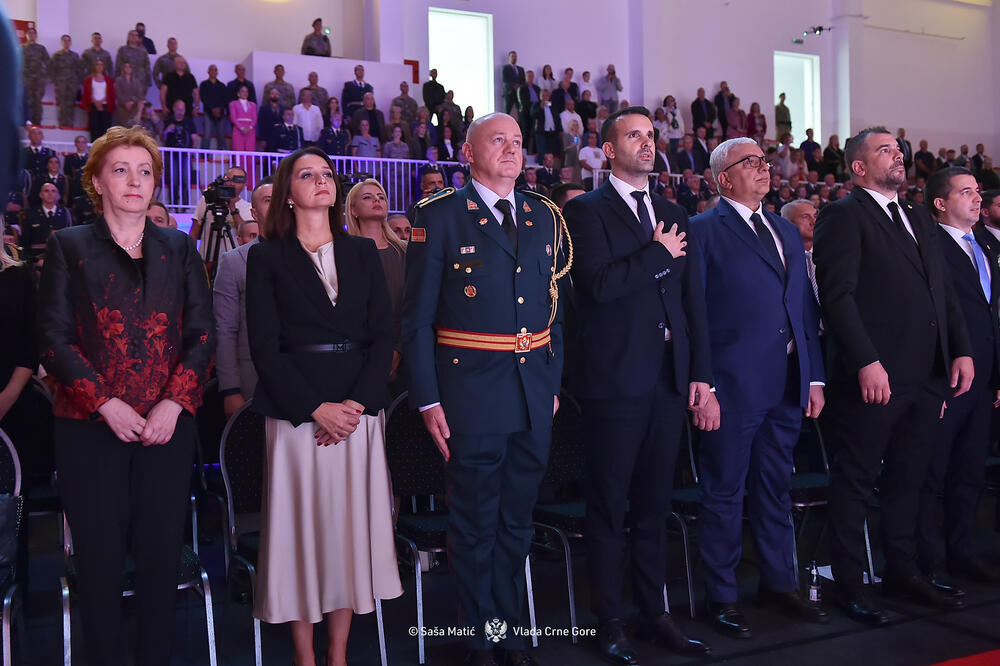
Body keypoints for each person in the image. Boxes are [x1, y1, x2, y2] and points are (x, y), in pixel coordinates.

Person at [37, 125, 214, 666]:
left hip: (167, 428)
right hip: (89, 429)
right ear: (96, 181)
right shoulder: (69, 246)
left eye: (144, 170)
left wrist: (172, 403)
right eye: (120, 169)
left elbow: (202, 335)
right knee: (99, 563)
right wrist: (106, 404)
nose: (135, 180)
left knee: (161, 562)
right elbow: (53, 339)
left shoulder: (179, 246)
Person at [402, 112, 566, 666]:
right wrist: (427, 398)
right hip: (470, 393)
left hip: (531, 393)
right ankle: (479, 638)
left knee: (517, 523)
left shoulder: (543, 215)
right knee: (474, 524)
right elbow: (418, 318)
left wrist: (551, 380)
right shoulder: (440, 216)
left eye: (518, 142)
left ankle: (510, 634)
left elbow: (552, 308)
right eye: (498, 140)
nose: (512, 149)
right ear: (468, 153)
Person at [563, 106, 713, 664]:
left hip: (670, 381)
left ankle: (655, 614)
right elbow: (598, 287)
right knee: (608, 507)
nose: (648, 144)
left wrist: (702, 374)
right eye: (634, 136)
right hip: (615, 380)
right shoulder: (587, 211)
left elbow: (690, 300)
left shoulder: (674, 209)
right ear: (607, 150)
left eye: (651, 135)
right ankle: (610, 622)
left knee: (654, 507)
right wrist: (655, 253)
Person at [246, 147, 402, 666]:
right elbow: (265, 348)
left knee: (345, 536)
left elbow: (384, 336)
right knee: (300, 537)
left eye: (327, 174)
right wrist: (317, 408)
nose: (321, 181)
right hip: (298, 415)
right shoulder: (266, 255)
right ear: (287, 192)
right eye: (307, 175)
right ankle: (304, 655)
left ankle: (337, 652)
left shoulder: (361, 252)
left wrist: (353, 404)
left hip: (357, 413)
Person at [813, 127, 973, 625]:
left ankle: (902, 571)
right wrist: (865, 360)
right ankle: (850, 583)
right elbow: (837, 295)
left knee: (909, 477)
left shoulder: (917, 217)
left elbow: (941, 291)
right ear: (858, 167)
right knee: (856, 480)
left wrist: (960, 351)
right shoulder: (844, 215)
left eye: (897, 148)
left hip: (925, 375)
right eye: (884, 150)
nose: (897, 154)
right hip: (876, 374)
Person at [690, 137, 828, 638]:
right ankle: (722, 597)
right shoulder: (704, 230)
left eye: (765, 161)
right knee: (724, 493)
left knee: (775, 489)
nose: (764, 168)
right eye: (751, 163)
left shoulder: (785, 231)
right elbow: (695, 316)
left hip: (787, 384)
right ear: (724, 178)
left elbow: (803, 308)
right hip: (730, 387)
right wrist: (704, 386)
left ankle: (779, 583)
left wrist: (813, 374)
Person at [917, 168, 1000, 585]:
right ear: (940, 202)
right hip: (947, 375)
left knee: (970, 470)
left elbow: (993, 314)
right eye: (965, 192)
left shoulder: (985, 241)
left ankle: (961, 551)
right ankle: (930, 560)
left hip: (984, 376)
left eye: (977, 191)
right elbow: (932, 316)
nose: (976, 198)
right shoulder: (928, 245)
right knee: (935, 470)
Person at [214, 178, 272, 417]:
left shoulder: (310, 256)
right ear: (255, 213)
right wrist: (230, 389)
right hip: (252, 381)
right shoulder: (234, 261)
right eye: (269, 201)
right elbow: (224, 329)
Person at [345, 179, 407, 389]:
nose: (376, 200)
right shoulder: (341, 252)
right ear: (353, 209)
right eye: (367, 197)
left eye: (381, 197)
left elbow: (413, 305)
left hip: (403, 352)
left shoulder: (405, 251)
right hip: (357, 356)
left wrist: (398, 349)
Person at [190, 165, 251, 263]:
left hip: (232, 263)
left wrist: (232, 208)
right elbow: (194, 231)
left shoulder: (248, 208)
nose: (232, 183)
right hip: (206, 260)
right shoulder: (207, 201)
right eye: (229, 179)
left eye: (237, 180)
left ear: (244, 185)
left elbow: (244, 233)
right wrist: (191, 259)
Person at [781, 199, 819, 302]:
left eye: (815, 216)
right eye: (805, 217)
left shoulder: (828, 254)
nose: (814, 222)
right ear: (787, 222)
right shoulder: (780, 257)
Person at [22, 182, 71, 257]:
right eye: (46, 191)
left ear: (58, 195)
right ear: (40, 195)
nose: (50, 194)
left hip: (62, 257)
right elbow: (25, 242)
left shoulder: (67, 213)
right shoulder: (31, 214)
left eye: (53, 191)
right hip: (37, 258)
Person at [51, 34, 82, 128]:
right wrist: (54, 83)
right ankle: (62, 126)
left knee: (70, 106)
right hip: (61, 84)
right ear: (62, 42)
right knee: (62, 106)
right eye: (64, 40)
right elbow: (52, 69)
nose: (66, 42)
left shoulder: (75, 56)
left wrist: (79, 84)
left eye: (68, 40)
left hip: (72, 84)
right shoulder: (57, 55)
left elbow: (79, 70)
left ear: (70, 42)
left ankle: (70, 126)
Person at [21, 27, 50, 126]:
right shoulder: (22, 48)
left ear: (36, 35)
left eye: (33, 33)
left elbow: (48, 63)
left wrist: (46, 78)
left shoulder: (41, 48)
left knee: (37, 102)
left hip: (39, 80)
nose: (31, 35)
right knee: (26, 101)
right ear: (26, 36)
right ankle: (27, 123)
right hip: (26, 79)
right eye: (29, 33)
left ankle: (37, 125)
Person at [82, 59, 114, 140]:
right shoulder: (89, 79)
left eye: (101, 65)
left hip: (105, 107)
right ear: (94, 66)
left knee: (105, 130)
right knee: (95, 129)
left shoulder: (109, 79)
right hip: (93, 106)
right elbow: (87, 92)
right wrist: (96, 102)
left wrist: (101, 102)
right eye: (97, 64)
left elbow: (110, 93)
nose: (99, 67)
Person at [200, 64, 230, 150]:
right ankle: (204, 155)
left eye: (215, 70)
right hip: (208, 112)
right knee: (207, 134)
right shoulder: (204, 84)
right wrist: (212, 109)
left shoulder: (222, 85)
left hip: (220, 114)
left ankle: (222, 153)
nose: (213, 71)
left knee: (221, 134)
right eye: (212, 70)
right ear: (208, 72)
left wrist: (219, 109)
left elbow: (225, 99)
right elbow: (203, 97)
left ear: (217, 72)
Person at [114, 30, 152, 94]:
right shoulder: (122, 50)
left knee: (139, 102)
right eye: (132, 35)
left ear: (138, 38)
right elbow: (118, 66)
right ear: (128, 37)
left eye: (136, 35)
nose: (134, 37)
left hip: (140, 82)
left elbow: (147, 68)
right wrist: (117, 81)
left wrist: (148, 83)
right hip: (126, 82)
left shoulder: (143, 51)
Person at [113, 61, 144, 128]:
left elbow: (139, 95)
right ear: (123, 68)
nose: (127, 68)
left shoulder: (137, 82)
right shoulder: (118, 80)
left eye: (129, 66)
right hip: (122, 109)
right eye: (126, 66)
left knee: (134, 130)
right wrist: (125, 103)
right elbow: (118, 93)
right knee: (124, 131)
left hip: (134, 109)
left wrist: (132, 102)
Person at [229, 84, 258, 153]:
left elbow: (255, 118)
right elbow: (233, 118)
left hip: (250, 130)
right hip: (238, 129)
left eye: (246, 91)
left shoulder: (253, 105)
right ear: (238, 93)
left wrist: (250, 128)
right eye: (242, 91)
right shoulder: (233, 104)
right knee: (239, 150)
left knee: (250, 151)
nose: (245, 93)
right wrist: (242, 128)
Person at [501, 50, 525, 116]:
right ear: (509, 58)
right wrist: (514, 85)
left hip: (518, 93)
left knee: (520, 111)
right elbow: (505, 80)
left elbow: (523, 81)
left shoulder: (521, 69)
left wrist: (519, 87)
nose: (514, 58)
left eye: (515, 56)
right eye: (512, 56)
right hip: (509, 93)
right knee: (507, 111)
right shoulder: (505, 68)